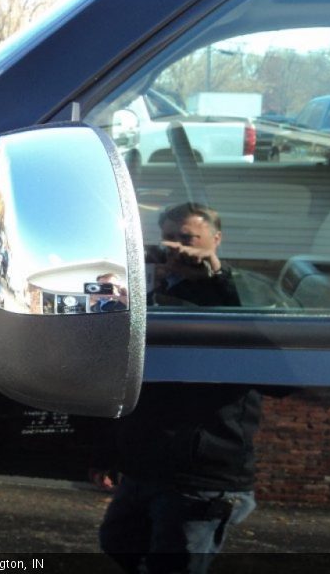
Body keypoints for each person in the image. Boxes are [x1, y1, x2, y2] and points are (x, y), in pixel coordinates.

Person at [93, 203, 270, 574]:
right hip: (145, 462)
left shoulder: (245, 291)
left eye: (187, 239)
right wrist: (112, 452)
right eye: (168, 239)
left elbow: (278, 373)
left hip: (202, 472)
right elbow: (126, 373)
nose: (175, 248)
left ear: (215, 240)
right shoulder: (147, 293)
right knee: (118, 541)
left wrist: (215, 279)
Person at [149, 203, 240, 308]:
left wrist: (218, 274)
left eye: (186, 237)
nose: (175, 244)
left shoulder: (238, 283)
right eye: (169, 237)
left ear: (216, 239)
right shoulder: (149, 271)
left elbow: (244, 314)